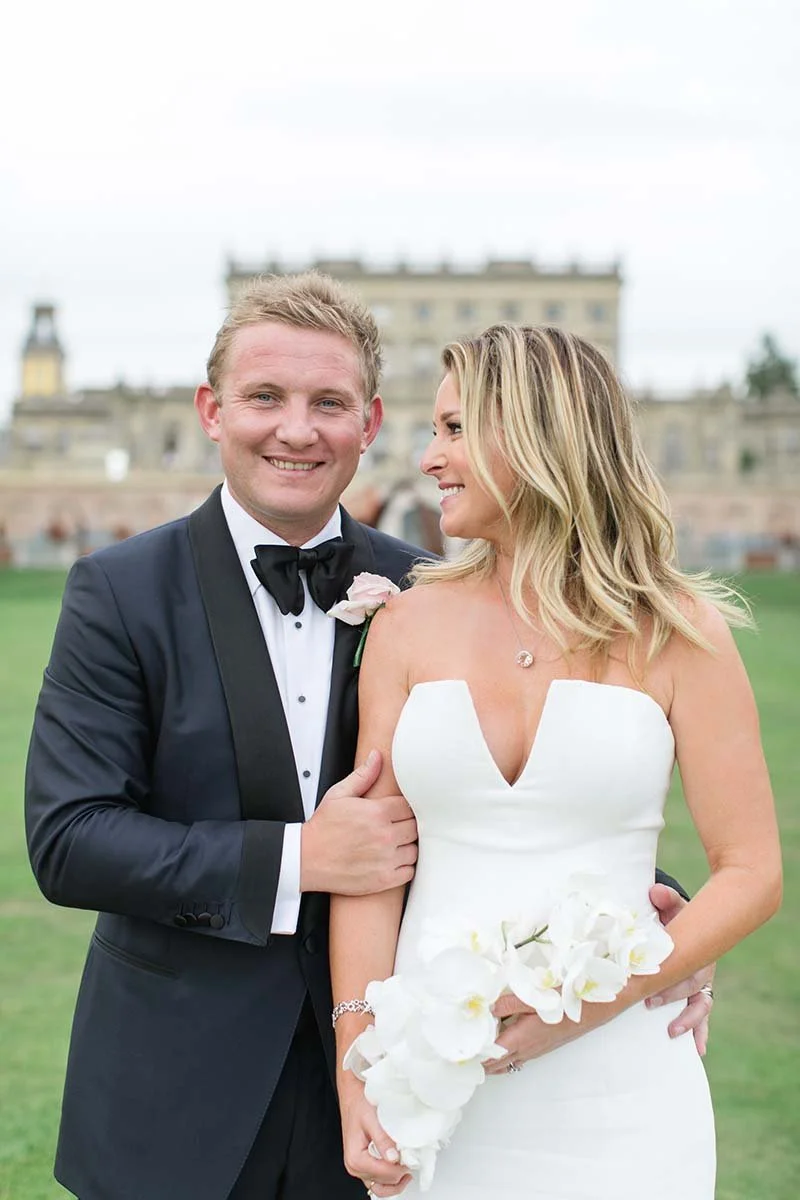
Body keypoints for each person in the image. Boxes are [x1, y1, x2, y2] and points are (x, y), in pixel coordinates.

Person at [26, 277, 706, 1200]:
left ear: (371, 421)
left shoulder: (431, 589)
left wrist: (648, 918)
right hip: (178, 1092)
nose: (296, 430)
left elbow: (521, 781)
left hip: (414, 1085)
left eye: (329, 404)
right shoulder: (119, 592)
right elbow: (70, 842)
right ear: (211, 411)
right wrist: (300, 858)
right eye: (265, 397)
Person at [330, 324, 782, 1200]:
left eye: (456, 429)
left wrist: (593, 1004)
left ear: (537, 434)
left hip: (623, 1087)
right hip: (436, 1073)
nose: (429, 458)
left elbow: (752, 871)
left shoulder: (681, 631)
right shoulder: (404, 627)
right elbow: (371, 869)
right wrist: (358, 1068)